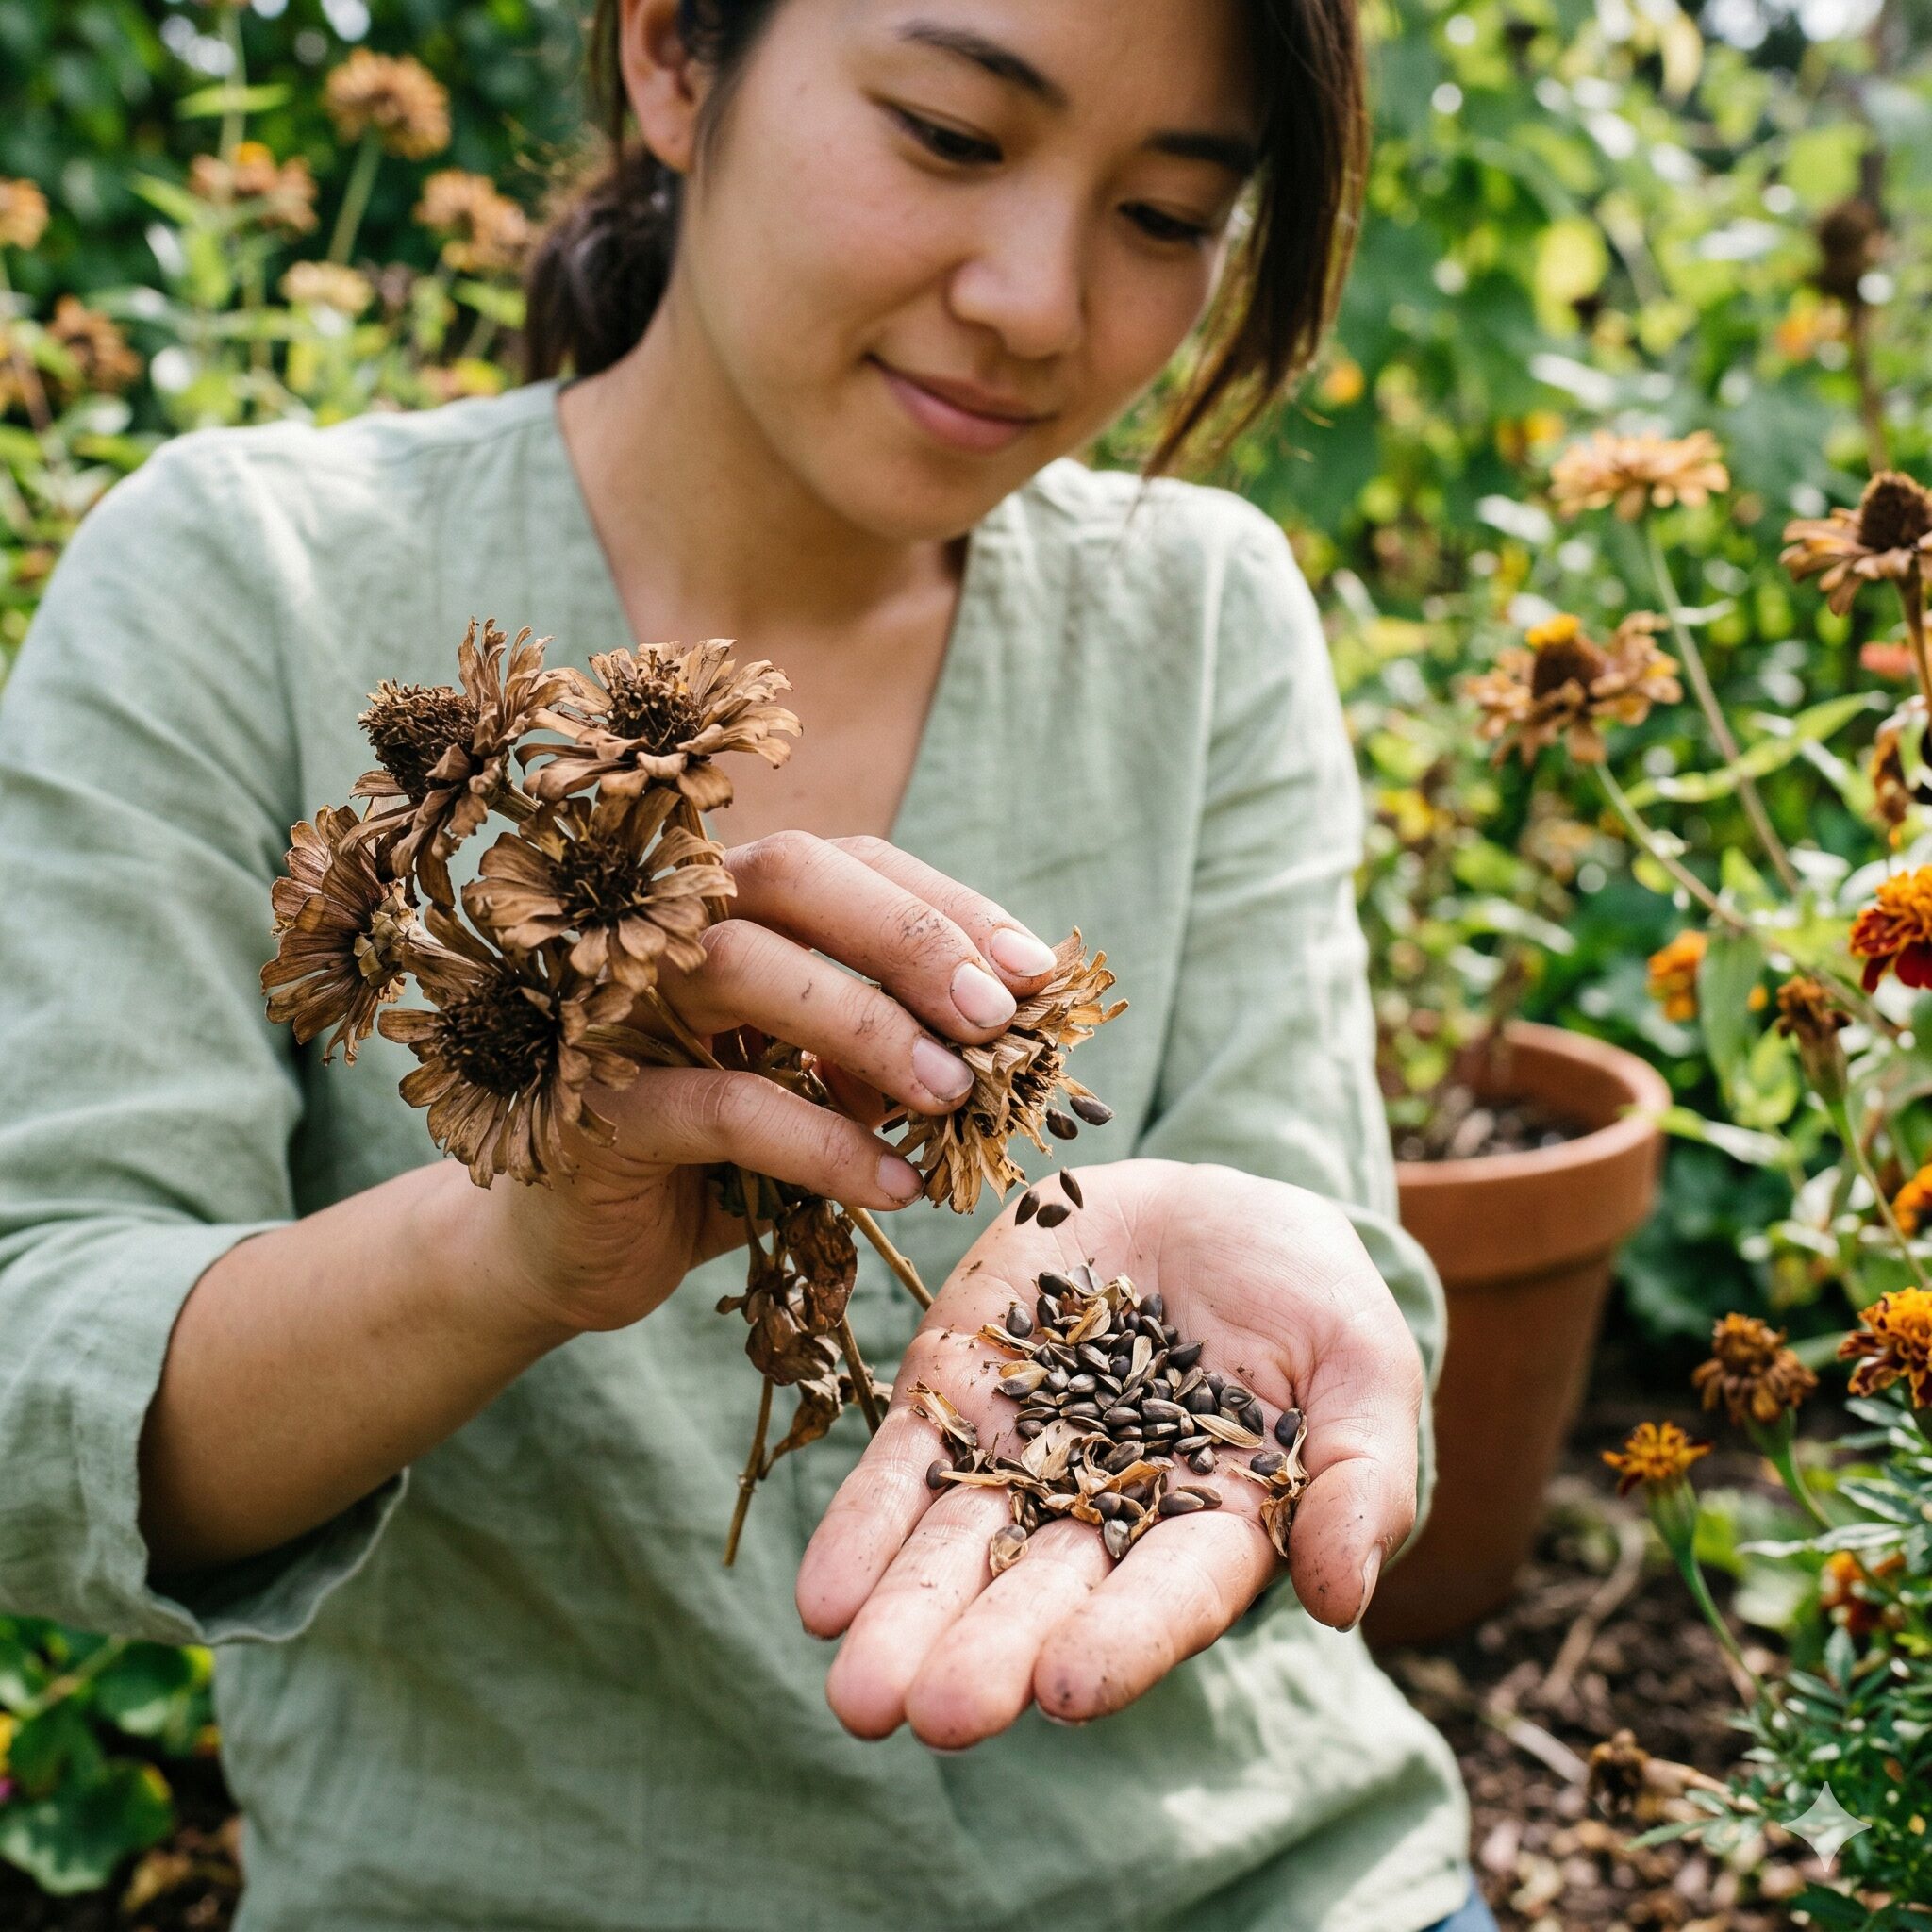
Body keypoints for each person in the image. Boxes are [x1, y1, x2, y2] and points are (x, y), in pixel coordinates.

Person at [0, 1, 1498, 1926]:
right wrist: (506, 1252)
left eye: (1164, 215)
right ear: (672, 56)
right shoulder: (244, 582)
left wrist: (1295, 1304)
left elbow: (1331, 1296)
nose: (1038, 301)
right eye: (952, 134)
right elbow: (39, 1376)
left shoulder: (1195, 610)